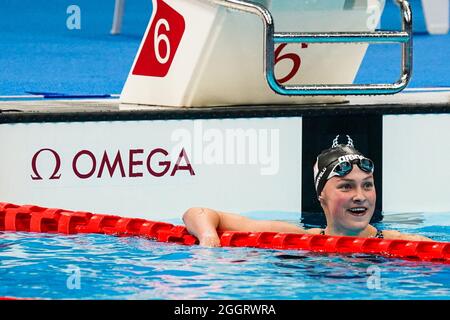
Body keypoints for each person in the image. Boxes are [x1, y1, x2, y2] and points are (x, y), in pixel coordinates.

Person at [183, 137, 432, 247]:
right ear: (321, 195)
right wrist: (207, 237)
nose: (361, 196)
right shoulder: (297, 237)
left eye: (367, 184)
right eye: (346, 186)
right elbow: (198, 212)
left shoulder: (403, 243)